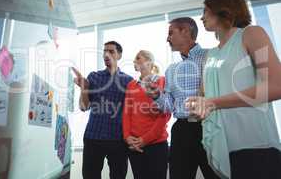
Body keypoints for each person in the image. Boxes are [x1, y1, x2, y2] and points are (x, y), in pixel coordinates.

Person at [186, 0, 281, 179]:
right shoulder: (210, 55)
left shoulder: (251, 34)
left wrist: (214, 103)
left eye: (206, 11)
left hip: (256, 146)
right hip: (221, 148)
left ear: (224, 9)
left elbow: (275, 86)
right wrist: (197, 105)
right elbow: (206, 98)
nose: (201, 17)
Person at [146, 17, 219, 179]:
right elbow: (169, 106)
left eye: (171, 33)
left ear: (186, 31)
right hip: (181, 132)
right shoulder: (171, 69)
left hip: (209, 127)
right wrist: (157, 95)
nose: (167, 38)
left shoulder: (212, 56)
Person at [73, 41, 133, 179]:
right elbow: (83, 107)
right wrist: (84, 88)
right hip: (93, 137)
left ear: (119, 55)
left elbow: (131, 114)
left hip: (117, 139)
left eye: (111, 51)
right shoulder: (94, 77)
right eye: (104, 51)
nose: (106, 54)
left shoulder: (129, 82)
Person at [122, 50, 171, 179]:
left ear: (149, 62)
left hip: (157, 145)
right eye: (134, 59)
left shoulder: (162, 81)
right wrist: (127, 137)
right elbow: (127, 113)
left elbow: (164, 115)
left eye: (138, 58)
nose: (134, 61)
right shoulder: (131, 85)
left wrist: (145, 140)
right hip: (135, 146)